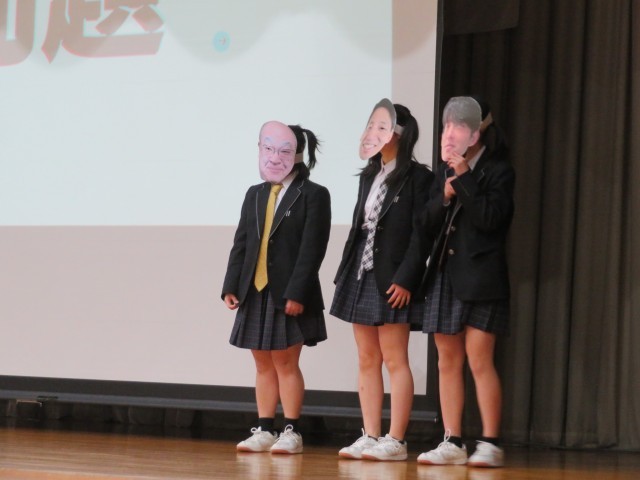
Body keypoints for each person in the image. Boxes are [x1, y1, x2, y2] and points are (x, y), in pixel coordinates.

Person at [331, 99, 434, 461]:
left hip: (393, 275)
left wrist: (407, 278)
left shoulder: (419, 177)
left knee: (395, 358)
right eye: (371, 126)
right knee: (367, 358)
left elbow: (422, 234)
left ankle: (396, 439)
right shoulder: (368, 175)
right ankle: (370, 434)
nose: (373, 133)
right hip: (361, 270)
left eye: (381, 127)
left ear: (398, 134)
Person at [222, 121, 331, 455]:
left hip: (288, 292)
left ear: (296, 153)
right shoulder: (255, 193)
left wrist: (297, 293)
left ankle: (291, 430)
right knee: (262, 364)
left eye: (283, 149)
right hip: (254, 291)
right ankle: (265, 428)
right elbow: (242, 242)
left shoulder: (313, 194)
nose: (274, 156)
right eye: (268, 148)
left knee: (286, 363)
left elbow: (312, 249)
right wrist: (231, 284)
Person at [417, 96, 515, 468]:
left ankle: (490, 442)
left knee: (479, 360)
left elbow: (491, 219)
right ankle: (452, 440)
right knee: (447, 361)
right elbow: (424, 225)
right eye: (446, 126)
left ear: (477, 132)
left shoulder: (498, 171)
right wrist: (444, 195)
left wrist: (465, 180)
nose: (449, 134)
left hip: (481, 277)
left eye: (458, 126)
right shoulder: (442, 173)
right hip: (445, 274)